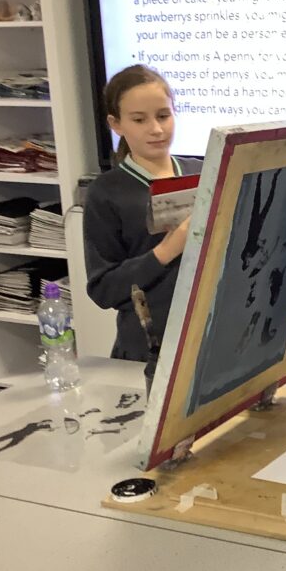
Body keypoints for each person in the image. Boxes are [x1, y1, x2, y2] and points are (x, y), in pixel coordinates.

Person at [83, 65, 201, 361]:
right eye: (139, 119)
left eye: (164, 115)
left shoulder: (204, 172)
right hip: (148, 349)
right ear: (116, 124)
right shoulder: (107, 192)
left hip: (205, 337)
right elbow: (104, 289)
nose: (157, 129)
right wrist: (165, 251)